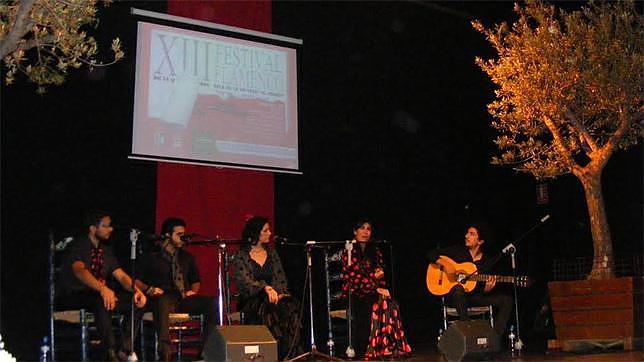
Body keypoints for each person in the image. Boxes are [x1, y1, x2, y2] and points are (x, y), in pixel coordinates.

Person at [58, 210, 147, 361]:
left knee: (137, 302)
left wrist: (137, 291)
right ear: (93, 228)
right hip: (76, 294)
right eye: (106, 226)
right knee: (101, 299)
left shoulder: (105, 251)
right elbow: (79, 270)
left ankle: (124, 348)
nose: (110, 229)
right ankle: (110, 351)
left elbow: (121, 275)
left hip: (99, 295)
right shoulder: (78, 246)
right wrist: (102, 288)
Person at [136, 217, 218, 362]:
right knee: (163, 300)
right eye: (179, 235)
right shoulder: (151, 256)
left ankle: (205, 352)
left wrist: (193, 291)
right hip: (160, 296)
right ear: (167, 235)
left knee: (213, 303)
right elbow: (136, 280)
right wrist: (149, 289)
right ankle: (165, 352)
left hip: (182, 297)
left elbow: (195, 280)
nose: (183, 238)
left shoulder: (187, 257)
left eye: (184, 234)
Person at [232, 216, 302, 360]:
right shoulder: (242, 255)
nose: (269, 233)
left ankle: (290, 355)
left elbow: (281, 278)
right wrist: (265, 288)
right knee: (267, 310)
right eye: (265, 230)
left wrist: (280, 293)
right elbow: (245, 283)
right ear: (256, 233)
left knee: (289, 305)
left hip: (274, 297)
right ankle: (271, 354)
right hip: (253, 299)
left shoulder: (272, 253)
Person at [427, 222, 513, 338]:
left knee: (506, 300)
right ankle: (469, 332)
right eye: (467, 233)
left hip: (473, 298)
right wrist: (445, 264)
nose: (466, 236)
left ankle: (495, 338)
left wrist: (486, 290)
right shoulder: (458, 251)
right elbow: (430, 253)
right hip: (455, 298)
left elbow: (477, 288)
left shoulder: (486, 262)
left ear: (480, 241)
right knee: (458, 289)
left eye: (471, 234)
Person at [341, 219, 411, 359]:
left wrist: (380, 284)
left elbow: (379, 274)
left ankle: (384, 346)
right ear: (355, 232)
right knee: (369, 302)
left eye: (368, 229)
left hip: (372, 290)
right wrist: (375, 284)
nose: (365, 232)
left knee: (390, 303)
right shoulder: (348, 250)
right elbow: (353, 277)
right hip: (355, 291)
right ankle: (364, 348)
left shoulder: (375, 250)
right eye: (362, 228)